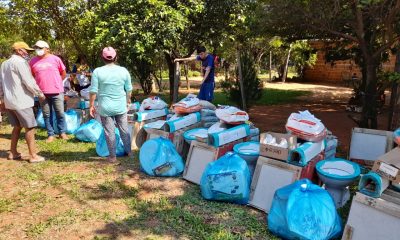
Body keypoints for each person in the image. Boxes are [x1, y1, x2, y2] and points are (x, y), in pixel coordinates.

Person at [0, 42, 46, 163]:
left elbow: (1, 84)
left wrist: (2, 99)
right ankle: (33, 155)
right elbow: (28, 81)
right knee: (30, 127)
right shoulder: (20, 63)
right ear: (20, 51)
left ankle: (13, 152)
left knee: (17, 127)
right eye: (27, 51)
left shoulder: (4, 64)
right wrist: (40, 93)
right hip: (21, 100)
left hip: (10, 101)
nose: (28, 53)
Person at [89, 47, 133, 163]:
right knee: (124, 129)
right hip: (120, 106)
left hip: (105, 107)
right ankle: (129, 152)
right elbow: (129, 89)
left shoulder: (97, 72)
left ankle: (112, 157)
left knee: (109, 132)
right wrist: (128, 100)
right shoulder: (123, 71)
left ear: (102, 58)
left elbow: (93, 91)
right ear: (116, 57)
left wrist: (91, 105)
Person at [29, 40, 68, 142]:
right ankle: (50, 134)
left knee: (60, 112)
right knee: (46, 114)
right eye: (36, 48)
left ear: (47, 49)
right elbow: (32, 76)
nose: (38, 50)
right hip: (42, 93)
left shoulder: (56, 59)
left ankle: (62, 132)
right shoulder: (32, 61)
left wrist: (57, 83)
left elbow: (63, 73)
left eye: (40, 48)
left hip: (57, 91)